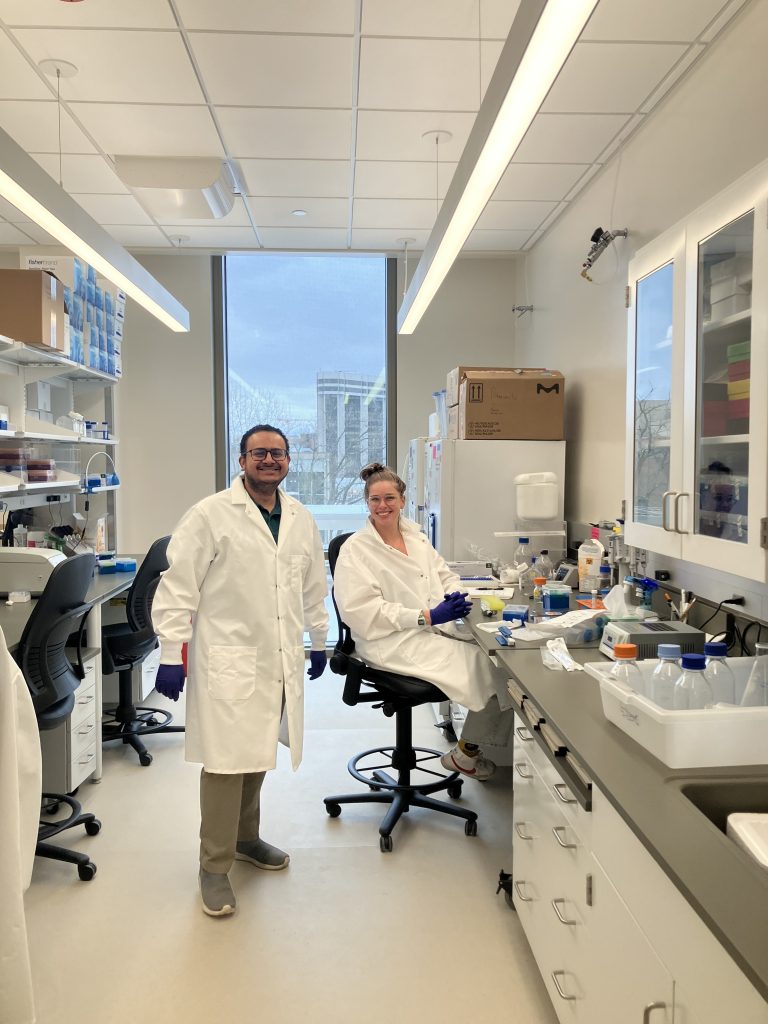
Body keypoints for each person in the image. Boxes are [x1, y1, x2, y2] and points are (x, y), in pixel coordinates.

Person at [151, 424, 329, 917]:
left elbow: (313, 584)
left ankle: (246, 839)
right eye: (259, 453)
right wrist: (171, 652)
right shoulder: (210, 515)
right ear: (242, 460)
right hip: (227, 655)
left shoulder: (299, 517)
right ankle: (213, 866)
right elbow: (178, 587)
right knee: (226, 764)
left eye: (277, 453)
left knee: (256, 752)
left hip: (277, 656)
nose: (269, 460)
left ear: (289, 460)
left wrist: (318, 639)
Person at [333, 463, 514, 782]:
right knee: (488, 668)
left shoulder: (416, 538)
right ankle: (467, 755)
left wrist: (456, 597)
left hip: (428, 630)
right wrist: (427, 616)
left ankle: (466, 752)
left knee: (498, 657)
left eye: (389, 498)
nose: (382, 506)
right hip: (387, 641)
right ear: (367, 504)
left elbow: (445, 575)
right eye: (375, 500)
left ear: (402, 500)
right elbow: (362, 612)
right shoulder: (356, 550)